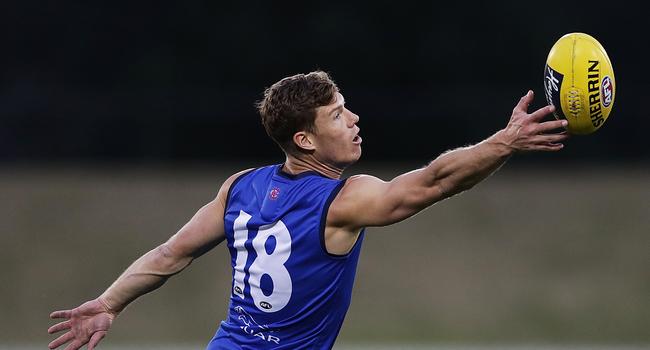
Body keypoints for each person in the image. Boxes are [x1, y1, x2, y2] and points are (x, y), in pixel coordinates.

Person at [48, 71, 568, 350]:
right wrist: (505, 142)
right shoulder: (341, 201)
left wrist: (109, 303)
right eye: (338, 114)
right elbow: (434, 182)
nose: (354, 118)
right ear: (305, 139)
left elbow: (169, 255)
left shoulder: (241, 188)